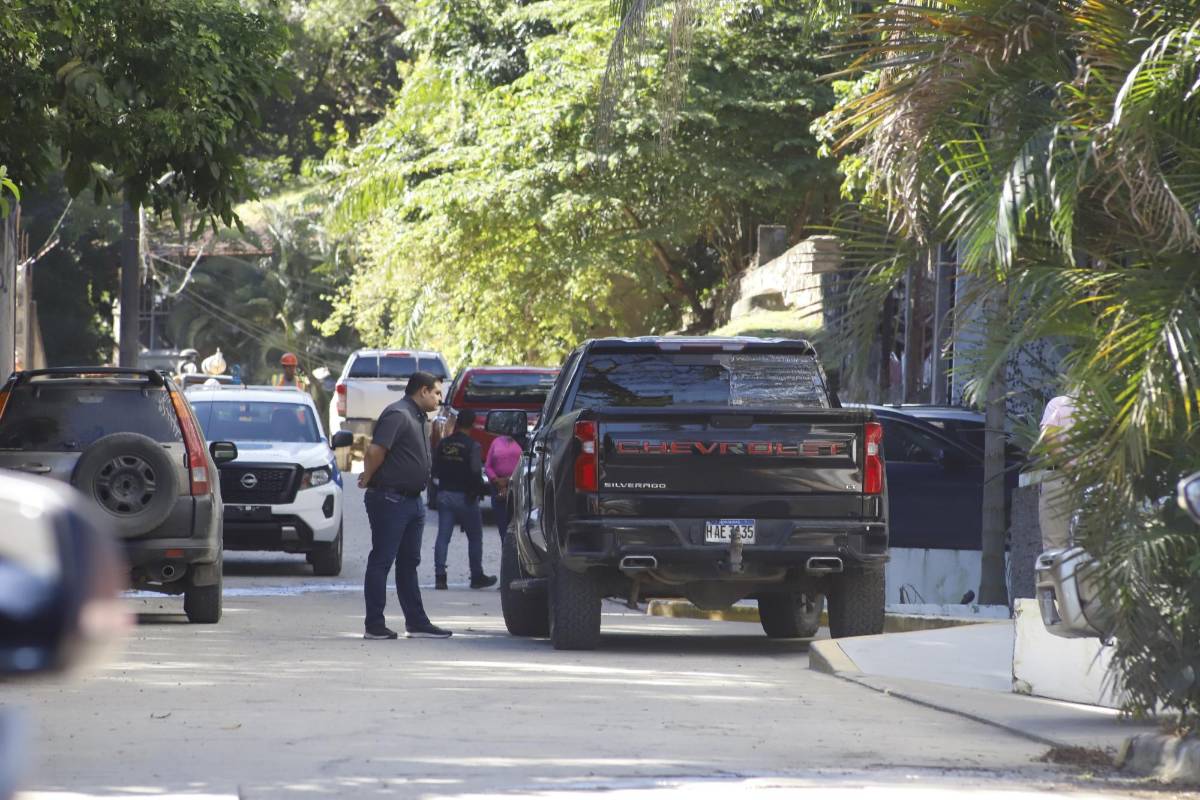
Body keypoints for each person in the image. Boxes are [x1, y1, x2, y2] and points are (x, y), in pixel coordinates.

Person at [359, 371, 451, 639]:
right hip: (390, 499)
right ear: (422, 391)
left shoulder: (421, 418)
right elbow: (375, 451)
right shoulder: (398, 414)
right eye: (436, 392)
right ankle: (374, 625)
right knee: (382, 560)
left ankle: (417, 623)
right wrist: (368, 476)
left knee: (409, 563)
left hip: (413, 501)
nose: (439, 398)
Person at [432, 410, 497, 591]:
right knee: (475, 537)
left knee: (443, 537)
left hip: (445, 494)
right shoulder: (472, 446)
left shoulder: (443, 444)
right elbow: (476, 472)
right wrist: (477, 490)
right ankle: (476, 576)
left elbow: (435, 468)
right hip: (465, 497)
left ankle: (440, 577)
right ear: (473, 425)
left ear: (457, 423)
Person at [1038, 393, 1077, 550]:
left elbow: (1048, 435)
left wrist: (1068, 467)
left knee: (1054, 548)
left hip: (1059, 478)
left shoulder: (1058, 403)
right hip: (1092, 478)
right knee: (1090, 549)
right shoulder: (1101, 406)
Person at [485, 431, 523, 539]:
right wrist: (496, 480)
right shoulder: (496, 442)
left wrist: (509, 480)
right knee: (502, 525)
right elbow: (488, 466)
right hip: (497, 486)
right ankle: (506, 549)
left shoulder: (523, 441)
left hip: (517, 486)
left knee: (516, 525)